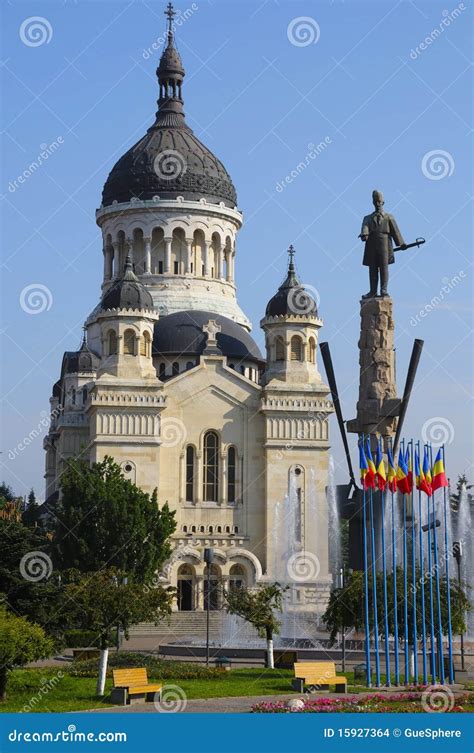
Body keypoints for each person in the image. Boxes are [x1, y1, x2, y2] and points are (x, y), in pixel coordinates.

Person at [360, 190, 406, 298]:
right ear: (373, 202)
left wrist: (401, 243)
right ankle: (373, 291)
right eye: (375, 201)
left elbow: (395, 231)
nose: (377, 203)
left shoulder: (389, 217)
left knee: (384, 267)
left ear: (383, 202)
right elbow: (364, 228)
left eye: (379, 201)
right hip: (371, 244)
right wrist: (364, 234)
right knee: (373, 268)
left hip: (384, 244)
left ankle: (384, 290)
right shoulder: (367, 218)